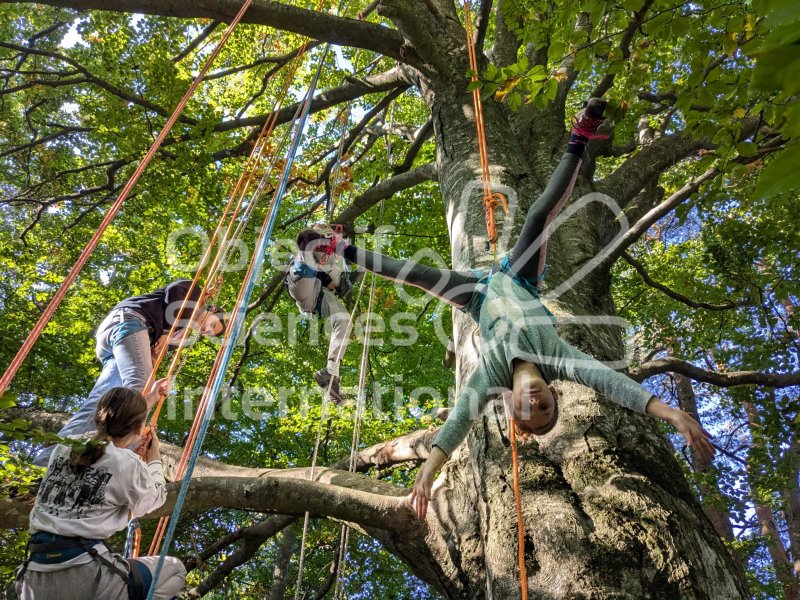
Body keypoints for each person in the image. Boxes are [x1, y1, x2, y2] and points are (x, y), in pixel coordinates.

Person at [298, 99, 716, 519]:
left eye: (527, 411)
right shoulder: (558, 359)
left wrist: (429, 468)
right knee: (538, 216)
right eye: (546, 407)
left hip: (477, 296)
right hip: (520, 279)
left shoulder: (492, 376)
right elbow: (608, 380)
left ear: (512, 408)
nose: (534, 402)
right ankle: (580, 138)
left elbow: (461, 418)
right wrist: (670, 413)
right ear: (554, 394)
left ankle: (340, 249)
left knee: (414, 275)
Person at [16, 386, 186, 599]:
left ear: (99, 416)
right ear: (139, 427)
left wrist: (128, 453)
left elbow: (101, 463)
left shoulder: (64, 449)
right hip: (84, 575)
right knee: (175, 569)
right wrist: (153, 458)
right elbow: (156, 498)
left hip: (34, 577)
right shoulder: (127, 463)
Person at [34, 280, 226, 466]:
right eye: (212, 325)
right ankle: (118, 458)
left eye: (209, 334)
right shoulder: (193, 294)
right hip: (130, 321)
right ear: (212, 310)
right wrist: (167, 331)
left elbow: (151, 350)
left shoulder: (178, 333)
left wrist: (153, 352)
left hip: (118, 335)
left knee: (101, 403)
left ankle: (49, 461)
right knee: (141, 390)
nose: (205, 331)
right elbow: (176, 290)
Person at [286, 233, 359, 404]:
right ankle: (341, 278)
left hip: (316, 294)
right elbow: (311, 245)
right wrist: (330, 239)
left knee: (344, 321)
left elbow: (328, 280)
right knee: (317, 250)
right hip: (301, 285)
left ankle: (331, 373)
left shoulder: (321, 270)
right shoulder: (306, 254)